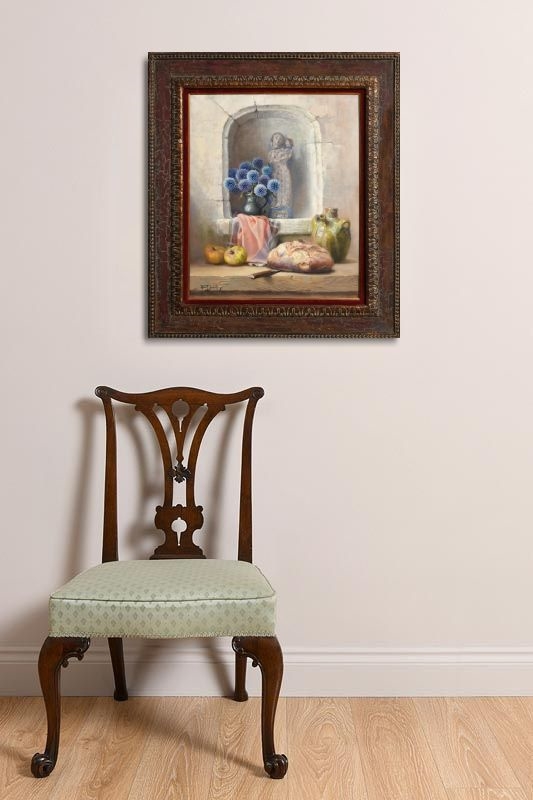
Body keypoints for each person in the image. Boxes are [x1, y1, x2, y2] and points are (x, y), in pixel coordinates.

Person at [268, 132, 293, 218]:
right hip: (275, 173)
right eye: (276, 138)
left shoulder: (285, 151)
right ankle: (276, 206)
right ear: (272, 140)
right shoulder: (270, 153)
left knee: (285, 189)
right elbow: (271, 162)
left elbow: (288, 154)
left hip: (284, 172)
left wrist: (289, 145)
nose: (277, 140)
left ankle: (284, 206)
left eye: (279, 139)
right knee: (275, 191)